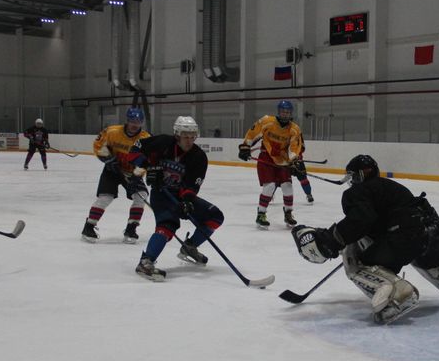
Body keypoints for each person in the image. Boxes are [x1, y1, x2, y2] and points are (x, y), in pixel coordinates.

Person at [292, 154, 439, 324]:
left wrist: (332, 241)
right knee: (427, 257)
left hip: (406, 237)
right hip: (436, 233)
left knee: (356, 260)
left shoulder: (357, 192)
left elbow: (361, 220)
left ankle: (397, 293)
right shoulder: (390, 187)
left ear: (356, 176)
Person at [130, 116, 225, 281]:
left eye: (192, 136)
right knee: (168, 224)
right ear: (177, 135)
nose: (189, 140)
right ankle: (145, 262)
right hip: (161, 194)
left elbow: (192, 185)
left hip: (180, 195)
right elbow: (135, 149)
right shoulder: (162, 143)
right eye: (185, 136)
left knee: (215, 216)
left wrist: (187, 201)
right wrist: (144, 165)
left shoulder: (199, 156)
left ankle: (190, 247)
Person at [81, 107, 151, 244]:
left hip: (132, 173)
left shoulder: (145, 139)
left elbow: (146, 160)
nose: (134, 124)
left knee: (141, 196)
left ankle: (131, 228)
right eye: (132, 121)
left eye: (138, 121)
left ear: (142, 123)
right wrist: (107, 159)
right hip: (111, 171)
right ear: (127, 120)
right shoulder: (112, 132)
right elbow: (98, 145)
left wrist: (136, 176)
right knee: (105, 197)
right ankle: (89, 226)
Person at [237, 100, 303, 228]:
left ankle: (288, 213)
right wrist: (245, 147)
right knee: (269, 186)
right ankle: (261, 214)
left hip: (283, 160)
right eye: (283, 112)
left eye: (288, 112)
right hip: (266, 158)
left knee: (288, 186)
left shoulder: (294, 129)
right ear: (278, 112)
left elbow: (294, 147)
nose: (285, 114)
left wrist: (294, 161)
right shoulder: (267, 121)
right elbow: (253, 133)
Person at [293, 136, 315, 204]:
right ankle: (270, 194)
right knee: (278, 179)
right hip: (285, 161)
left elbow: (302, 147)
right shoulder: (282, 132)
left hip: (298, 161)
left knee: (303, 179)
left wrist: (297, 155)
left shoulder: (298, 133)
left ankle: (309, 194)